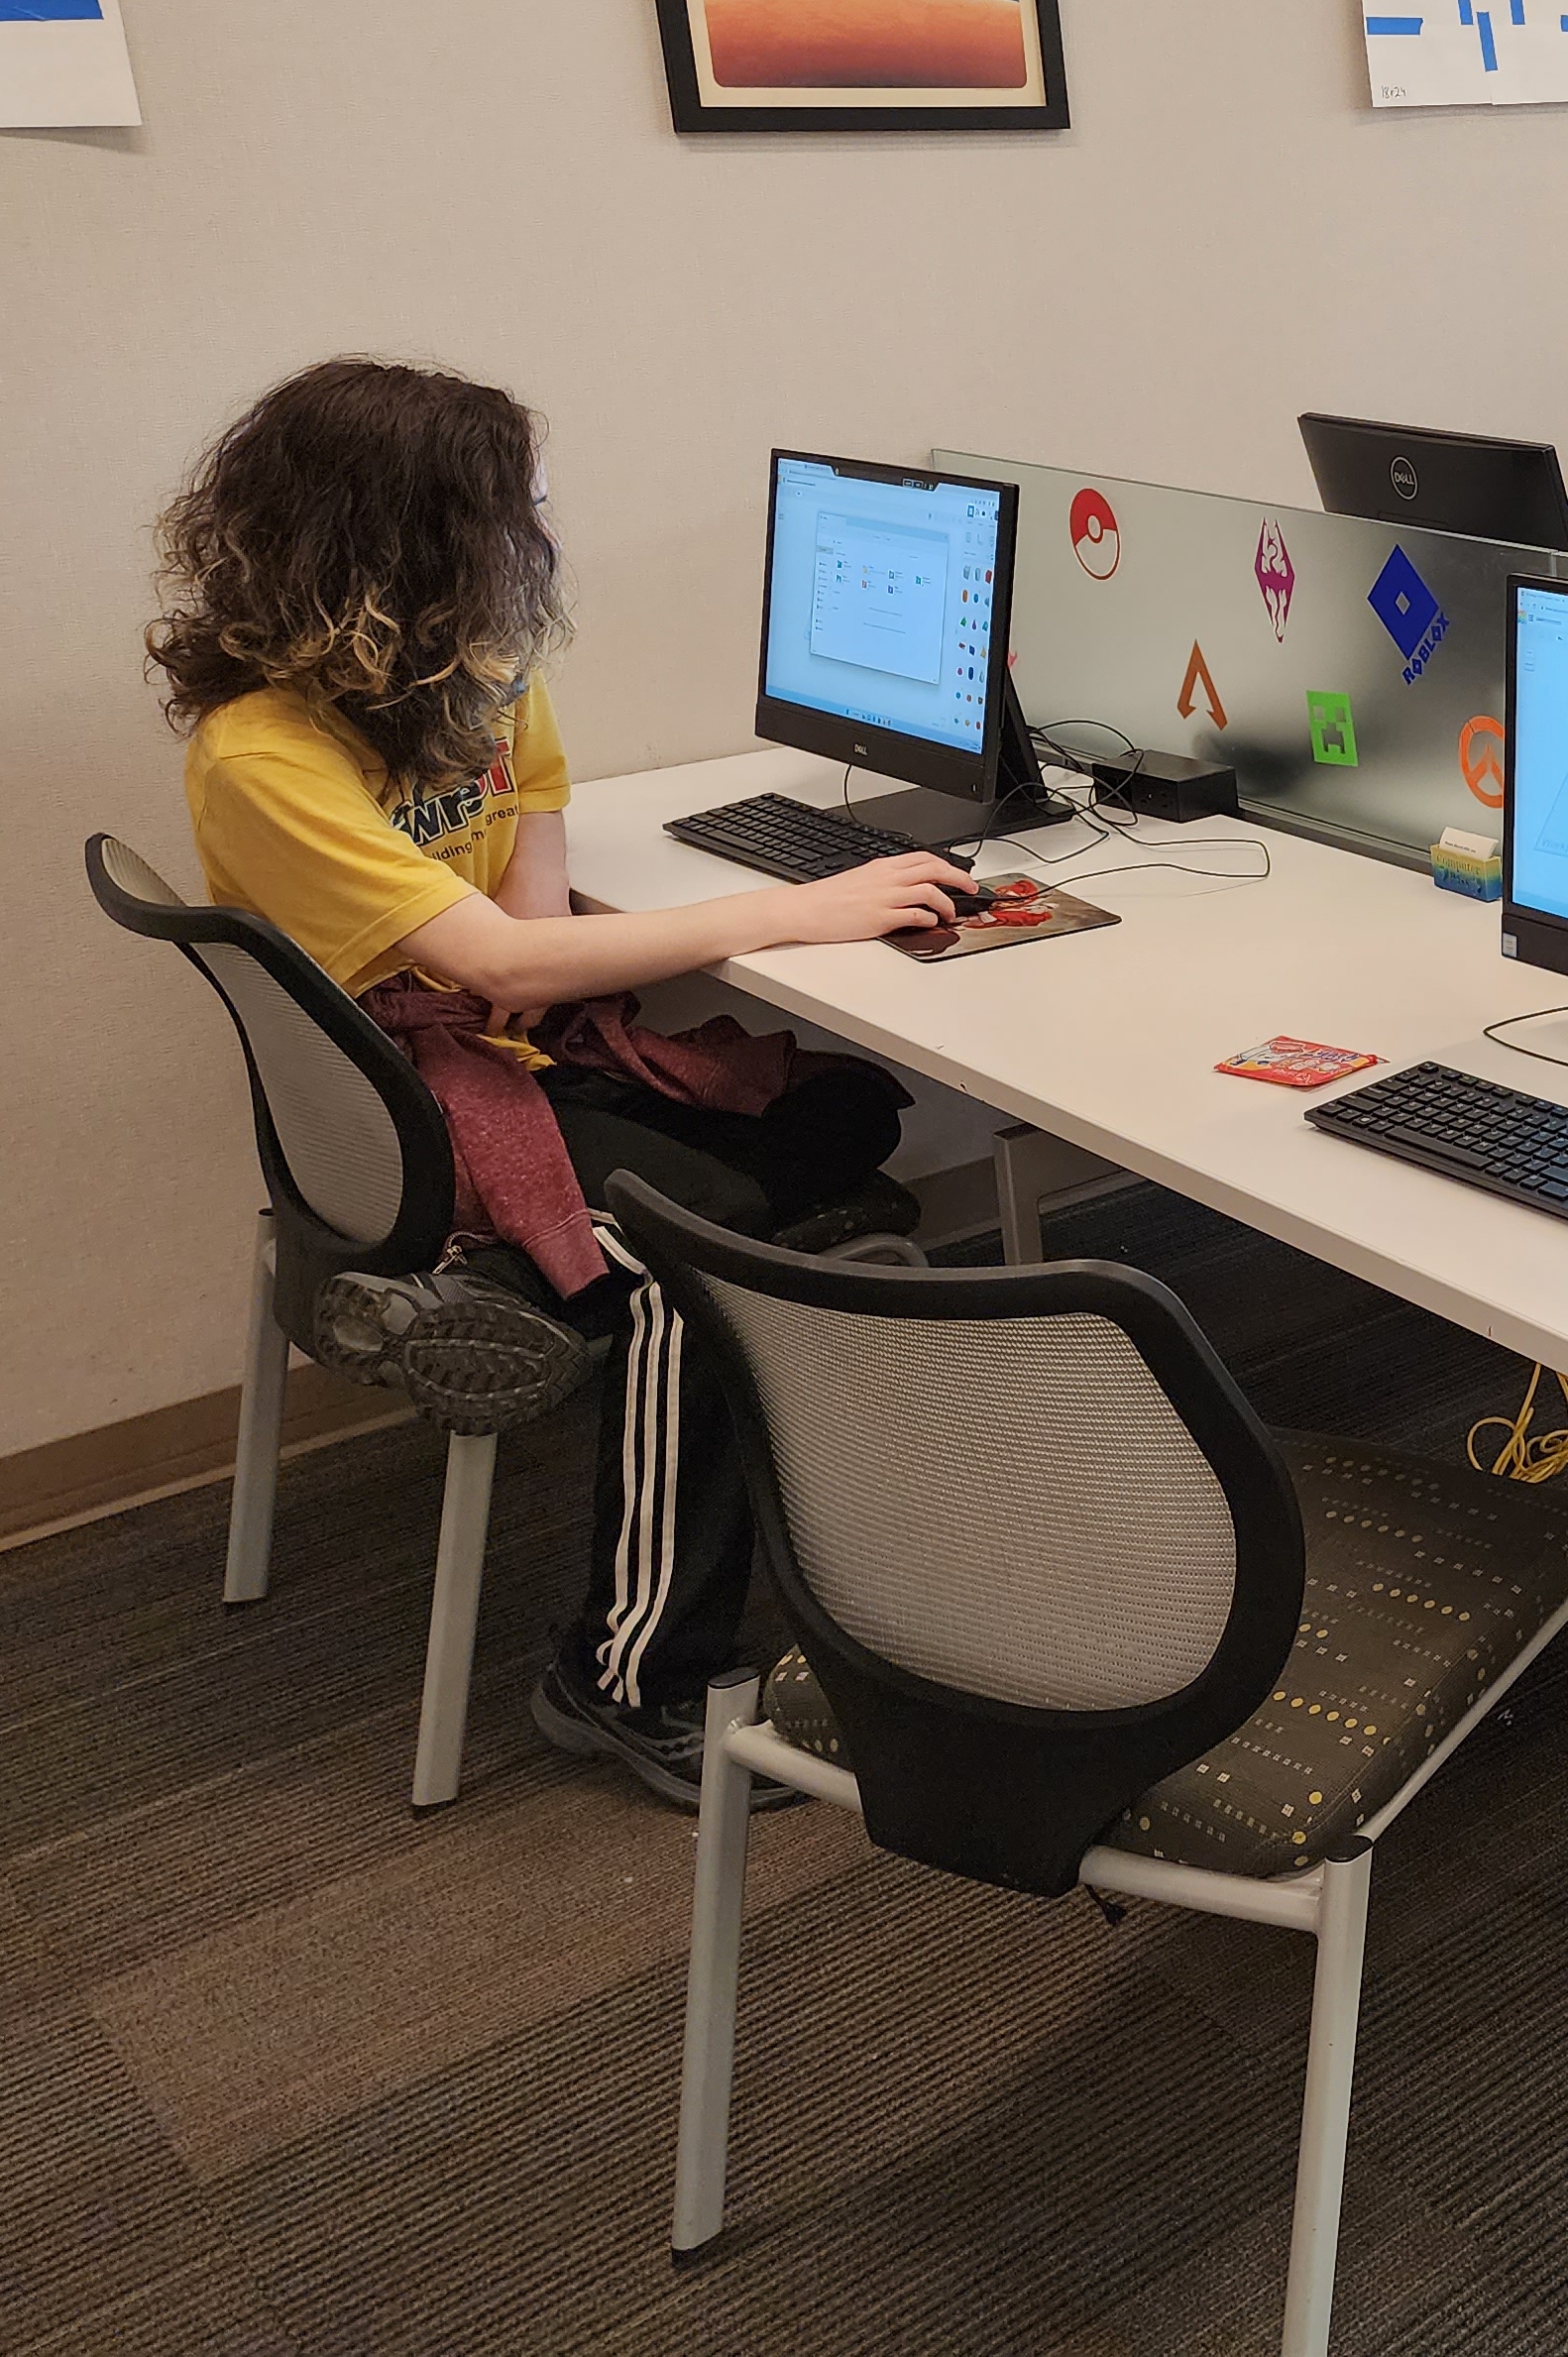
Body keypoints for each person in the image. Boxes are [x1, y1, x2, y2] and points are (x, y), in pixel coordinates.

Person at [151, 359, 977, 1809]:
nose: (535, 532)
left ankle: (741, 1390)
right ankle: (624, 1675)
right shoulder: (258, 753)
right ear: (396, 543)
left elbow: (530, 950)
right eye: (508, 511)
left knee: (851, 1114)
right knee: (699, 1261)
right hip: (407, 1109)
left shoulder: (480, 683)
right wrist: (797, 908)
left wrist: (733, 923)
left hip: (501, 1040)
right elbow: (510, 969)